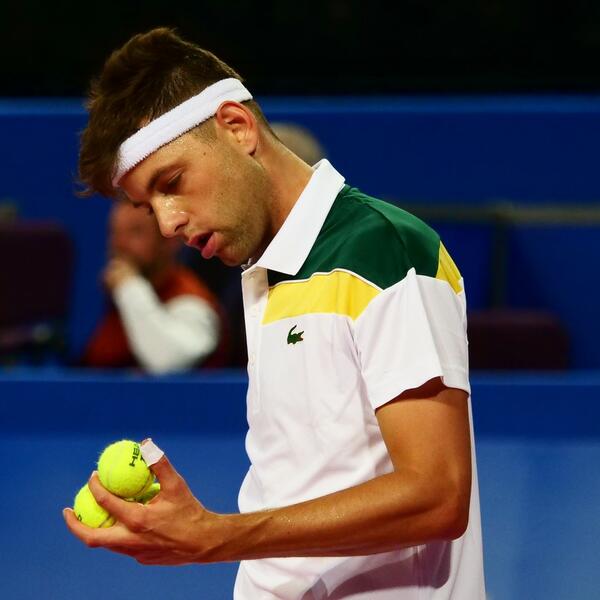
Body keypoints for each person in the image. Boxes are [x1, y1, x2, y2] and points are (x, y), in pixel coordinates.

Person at [64, 28, 485, 599]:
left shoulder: (383, 250)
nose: (167, 223)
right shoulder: (266, 271)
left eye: (172, 183)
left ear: (236, 127)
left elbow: (437, 495)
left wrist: (216, 536)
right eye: (148, 205)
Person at [81, 200, 228, 373]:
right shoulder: (116, 305)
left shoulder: (193, 300)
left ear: (170, 241)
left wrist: (129, 286)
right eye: (114, 232)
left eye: (135, 232)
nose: (119, 244)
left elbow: (167, 363)